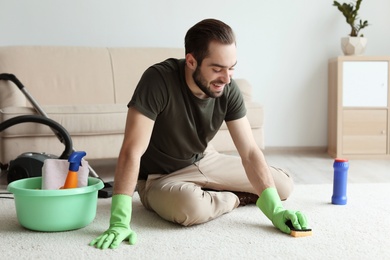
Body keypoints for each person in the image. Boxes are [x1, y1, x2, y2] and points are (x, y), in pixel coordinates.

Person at [90, 18, 308, 250]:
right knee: (190, 208)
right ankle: (234, 198)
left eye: (231, 68)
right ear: (192, 61)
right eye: (217, 69)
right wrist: (119, 221)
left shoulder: (227, 88)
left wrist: (274, 211)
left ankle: (215, 191)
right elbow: (131, 151)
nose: (226, 78)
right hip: (158, 177)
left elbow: (250, 151)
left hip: (205, 158)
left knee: (282, 187)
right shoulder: (157, 80)